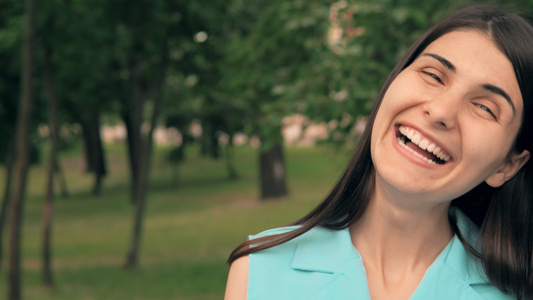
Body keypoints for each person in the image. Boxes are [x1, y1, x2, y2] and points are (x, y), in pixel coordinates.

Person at [225, 4, 533, 300]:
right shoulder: (258, 271)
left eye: (483, 107)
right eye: (433, 75)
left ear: (507, 164)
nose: (440, 111)